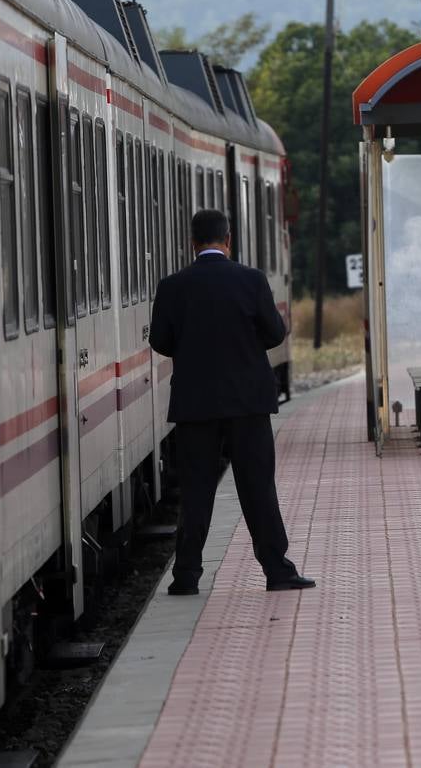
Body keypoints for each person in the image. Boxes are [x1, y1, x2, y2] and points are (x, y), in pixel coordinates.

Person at [149, 209, 315, 595]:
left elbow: (160, 341)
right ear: (229, 240)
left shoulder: (173, 286)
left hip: (195, 406)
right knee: (258, 487)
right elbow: (275, 334)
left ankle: (186, 576)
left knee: (196, 490)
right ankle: (277, 571)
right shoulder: (251, 280)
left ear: (193, 243)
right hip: (248, 403)